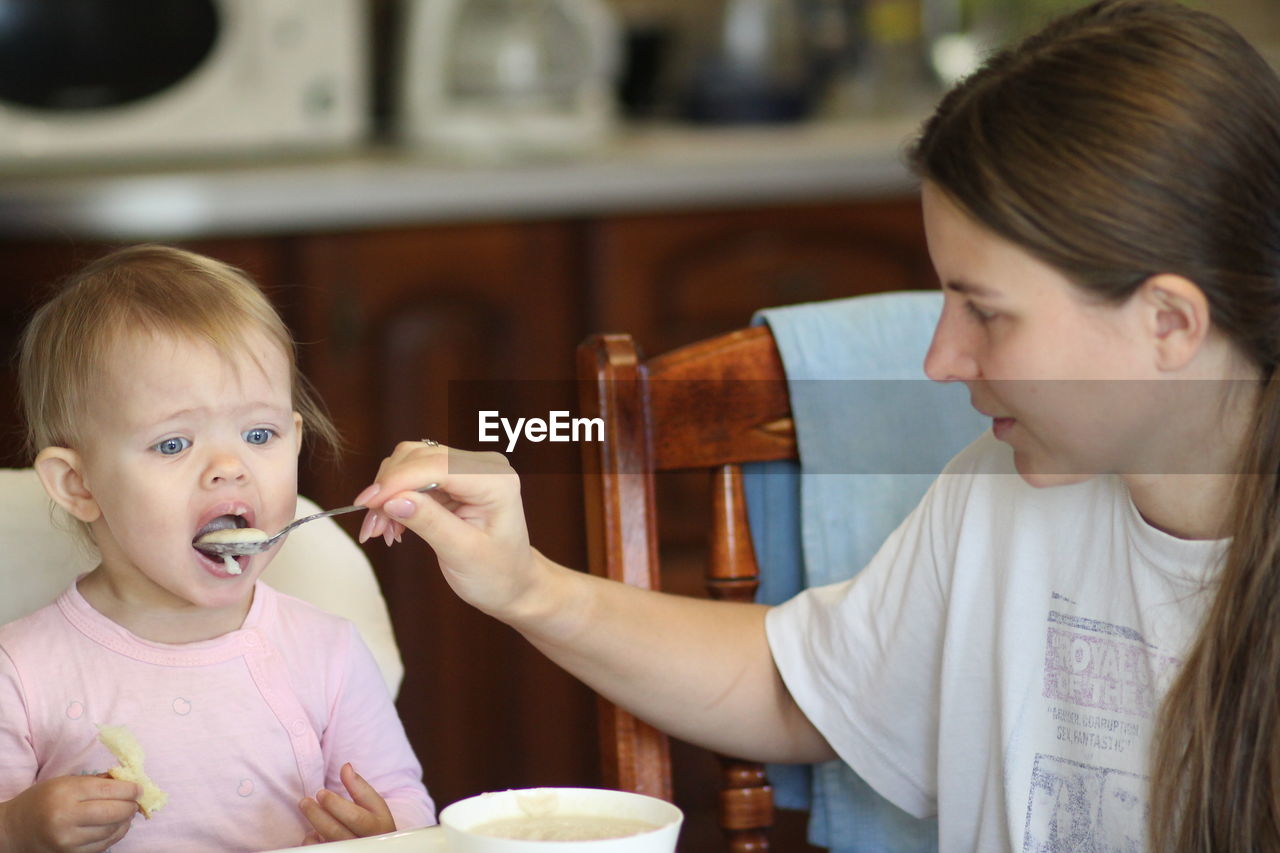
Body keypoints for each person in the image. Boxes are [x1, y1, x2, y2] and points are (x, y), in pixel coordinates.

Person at [352, 1, 1280, 850]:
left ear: (1169, 322)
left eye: (985, 310)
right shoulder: (998, 495)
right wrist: (524, 584)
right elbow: (799, 691)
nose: (939, 360)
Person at [0, 246, 434, 852]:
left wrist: (384, 833)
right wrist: (19, 829)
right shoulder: (20, 669)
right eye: (174, 444)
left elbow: (407, 804)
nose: (230, 467)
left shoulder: (327, 652)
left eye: (260, 434)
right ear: (78, 484)